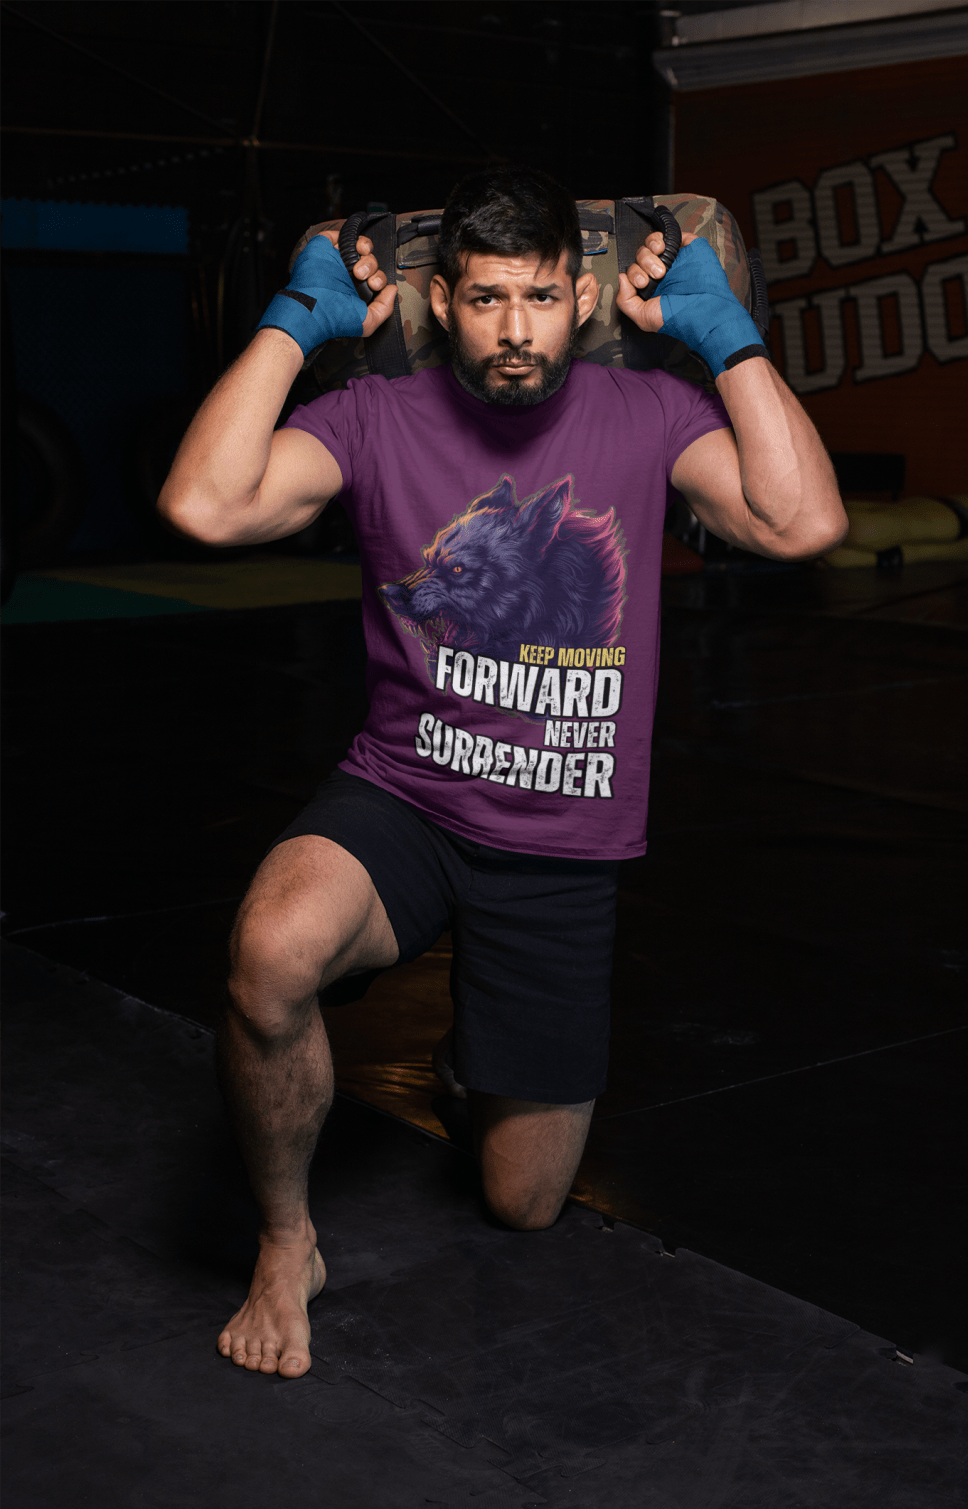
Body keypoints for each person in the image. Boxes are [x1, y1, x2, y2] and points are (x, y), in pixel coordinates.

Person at [159, 167, 846, 1380]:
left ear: (579, 299)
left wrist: (722, 337)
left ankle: (472, 1056)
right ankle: (285, 1242)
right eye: (483, 300)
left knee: (522, 1205)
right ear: (442, 299)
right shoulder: (377, 420)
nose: (514, 331)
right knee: (269, 953)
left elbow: (801, 527)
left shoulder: (644, 417)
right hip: (407, 798)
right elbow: (206, 507)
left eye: (537, 297)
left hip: (560, 851)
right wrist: (291, 320)